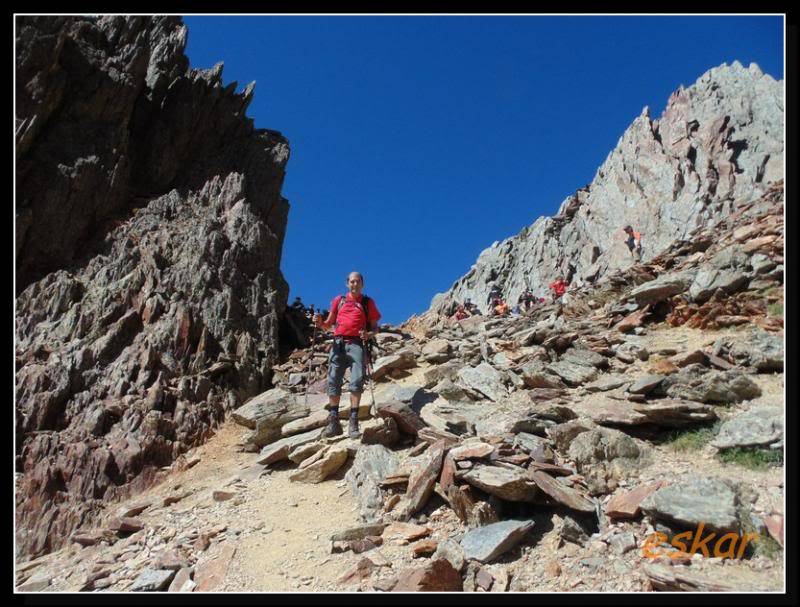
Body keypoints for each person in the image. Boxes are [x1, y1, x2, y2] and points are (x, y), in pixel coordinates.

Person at [313, 271, 381, 438]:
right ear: (347, 284)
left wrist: (369, 335)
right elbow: (329, 325)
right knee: (333, 380)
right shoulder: (339, 301)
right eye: (352, 282)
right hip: (338, 343)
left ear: (362, 284)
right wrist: (320, 322)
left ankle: (353, 422)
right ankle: (334, 422)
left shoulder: (367, 302)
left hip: (357, 344)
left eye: (357, 281)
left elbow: (375, 327)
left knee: (356, 380)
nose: (355, 284)